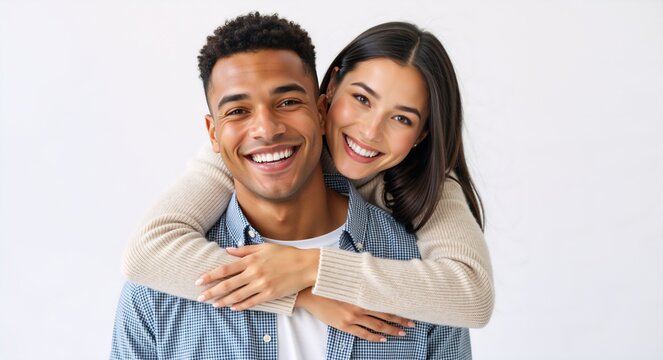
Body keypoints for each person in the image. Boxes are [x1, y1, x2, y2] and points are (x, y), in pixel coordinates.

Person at [111, 12, 471, 359]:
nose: (266, 130)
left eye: (287, 102)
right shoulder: (162, 282)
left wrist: (312, 269)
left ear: (320, 109)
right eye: (238, 110)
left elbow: (472, 295)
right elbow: (143, 253)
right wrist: (304, 292)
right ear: (213, 134)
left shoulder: (418, 279)